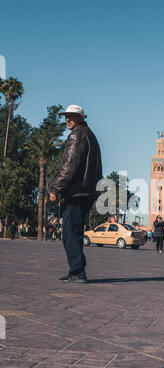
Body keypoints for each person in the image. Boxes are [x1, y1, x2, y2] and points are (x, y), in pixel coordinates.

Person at [50, 105, 102, 283]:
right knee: (75, 233)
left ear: (81, 117)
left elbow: (69, 166)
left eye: (71, 116)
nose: (67, 119)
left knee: (70, 234)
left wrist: (56, 188)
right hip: (86, 192)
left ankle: (78, 272)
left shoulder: (77, 135)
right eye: (66, 116)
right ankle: (77, 269)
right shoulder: (90, 135)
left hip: (76, 193)